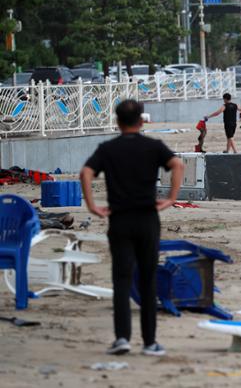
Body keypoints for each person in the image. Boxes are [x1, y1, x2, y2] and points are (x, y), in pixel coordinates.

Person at [80, 100, 184, 356]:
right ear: (141, 121)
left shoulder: (108, 149)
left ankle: (122, 338)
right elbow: (178, 165)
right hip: (147, 219)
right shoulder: (153, 146)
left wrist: (92, 205)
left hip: (120, 220)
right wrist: (171, 197)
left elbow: (85, 173)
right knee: (148, 280)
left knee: (122, 279)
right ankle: (149, 342)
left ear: (117, 121)